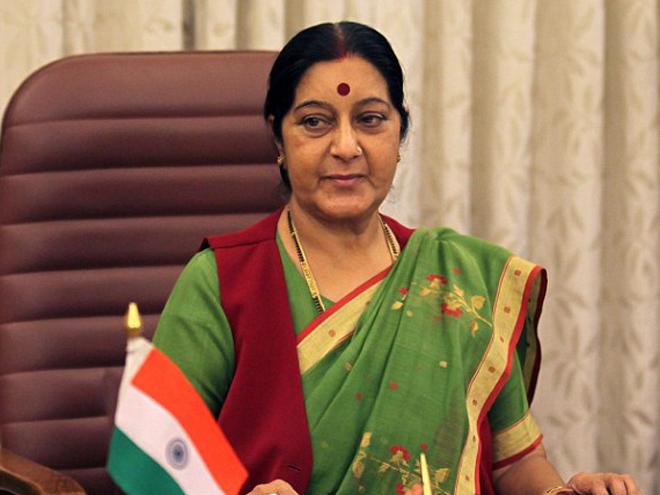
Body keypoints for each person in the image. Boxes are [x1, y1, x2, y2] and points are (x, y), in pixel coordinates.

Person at [153, 21, 640, 495]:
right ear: (278, 139)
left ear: (400, 132)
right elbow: (158, 468)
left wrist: (562, 492)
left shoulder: (462, 280)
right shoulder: (221, 282)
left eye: (370, 119)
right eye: (315, 122)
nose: (346, 147)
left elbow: (516, 462)